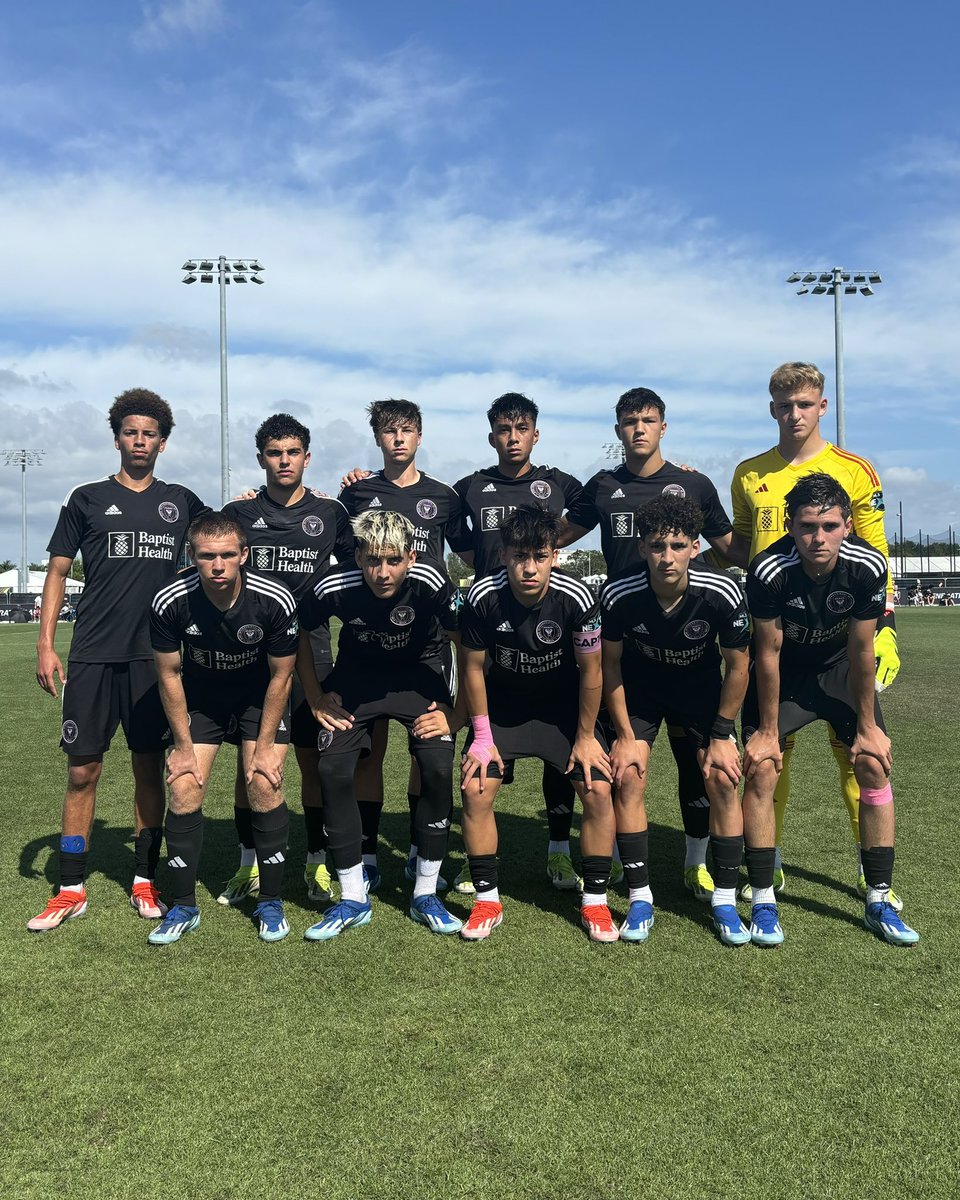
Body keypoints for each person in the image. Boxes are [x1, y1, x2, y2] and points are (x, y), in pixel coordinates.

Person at [29, 388, 207, 933]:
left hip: (154, 661)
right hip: (92, 656)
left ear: (163, 442)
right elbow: (58, 571)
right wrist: (45, 643)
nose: (139, 441)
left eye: (149, 433)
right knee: (82, 770)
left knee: (148, 768)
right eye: (131, 432)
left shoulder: (182, 501)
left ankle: (144, 878)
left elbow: (226, 539)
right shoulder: (85, 498)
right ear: (117, 438)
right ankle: (70, 885)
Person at [561, 386, 749, 902]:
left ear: (663, 427)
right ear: (618, 429)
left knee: (698, 768)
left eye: (647, 420)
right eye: (628, 421)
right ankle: (626, 865)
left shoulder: (693, 485)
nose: (638, 429)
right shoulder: (602, 487)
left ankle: (695, 864)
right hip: (626, 646)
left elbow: (729, 547)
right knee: (624, 768)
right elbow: (555, 535)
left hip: (687, 648)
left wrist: (782, 556)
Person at [730, 362, 901, 905]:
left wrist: (886, 628)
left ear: (821, 406)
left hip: (839, 632)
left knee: (857, 754)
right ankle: (768, 864)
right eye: (785, 405)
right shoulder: (748, 472)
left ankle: (869, 873)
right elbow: (736, 546)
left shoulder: (856, 470)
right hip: (773, 630)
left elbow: (875, 549)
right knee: (767, 756)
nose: (795, 414)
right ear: (772, 408)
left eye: (805, 404)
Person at [741, 473, 918, 947]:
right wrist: (769, 731)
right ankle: (762, 898)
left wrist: (867, 727)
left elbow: (862, 651)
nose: (818, 538)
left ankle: (878, 898)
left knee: (873, 764)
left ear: (847, 525)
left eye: (830, 525)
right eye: (806, 526)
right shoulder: (766, 569)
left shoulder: (868, 565)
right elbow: (769, 652)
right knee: (761, 767)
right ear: (791, 526)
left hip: (839, 667)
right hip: (786, 673)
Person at [296, 510, 462, 941]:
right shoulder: (335, 582)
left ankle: (425, 892)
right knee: (331, 769)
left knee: (438, 769)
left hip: (419, 675)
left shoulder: (432, 582)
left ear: (410, 556)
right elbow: (297, 631)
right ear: (356, 556)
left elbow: (469, 646)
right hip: (358, 678)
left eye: (392, 560)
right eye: (372, 560)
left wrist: (455, 713)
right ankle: (353, 896)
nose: (382, 572)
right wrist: (315, 696)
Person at [449, 392, 589, 892]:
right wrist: (485, 563)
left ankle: (557, 849)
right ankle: (475, 858)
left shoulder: (558, 484)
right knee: (481, 744)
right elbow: (450, 528)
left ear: (535, 433)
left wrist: (549, 548)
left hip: (546, 622)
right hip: (492, 622)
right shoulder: (470, 486)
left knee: (562, 751)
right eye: (504, 430)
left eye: (522, 429)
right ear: (493, 436)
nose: (513, 438)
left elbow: (595, 504)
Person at [458, 506, 616, 941]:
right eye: (519, 556)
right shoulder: (480, 596)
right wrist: (482, 737)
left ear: (555, 556)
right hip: (504, 708)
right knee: (475, 787)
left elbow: (592, 672)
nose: (529, 568)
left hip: (561, 709)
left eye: (539, 556)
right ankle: (487, 899)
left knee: (598, 787)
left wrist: (585, 737)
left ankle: (596, 903)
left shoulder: (579, 598)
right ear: (504, 556)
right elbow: (472, 668)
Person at [600, 495, 751, 944]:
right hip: (641, 690)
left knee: (723, 778)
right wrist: (625, 735)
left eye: (678, 546)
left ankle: (724, 899)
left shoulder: (721, 590)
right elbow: (609, 666)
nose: (668, 557)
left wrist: (723, 734)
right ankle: (640, 896)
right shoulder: (618, 592)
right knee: (627, 775)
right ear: (643, 547)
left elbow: (739, 666)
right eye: (657, 546)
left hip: (699, 690)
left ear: (695, 546)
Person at [220, 414, 354, 906]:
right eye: (274, 453)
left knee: (313, 758)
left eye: (292, 452)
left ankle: (316, 862)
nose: (283, 461)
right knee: (250, 762)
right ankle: (247, 865)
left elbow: (361, 563)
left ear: (306, 457)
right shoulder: (238, 514)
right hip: (250, 651)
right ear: (261, 459)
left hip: (312, 650)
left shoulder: (330, 511)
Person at [148, 513, 299, 944]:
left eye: (228, 555)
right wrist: (181, 745)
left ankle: (270, 902)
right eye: (207, 556)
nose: (218, 566)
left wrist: (266, 746)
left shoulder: (274, 599)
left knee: (264, 782)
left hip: (258, 697)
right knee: (183, 784)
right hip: (203, 700)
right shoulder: (170, 600)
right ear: (191, 556)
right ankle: (182, 906)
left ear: (244, 555)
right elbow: (169, 674)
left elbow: (281, 677)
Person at [338, 399, 463, 890]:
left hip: (427, 645)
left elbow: (477, 552)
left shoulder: (443, 496)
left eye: (406, 430)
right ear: (377, 438)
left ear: (419, 435)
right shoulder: (357, 493)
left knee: (425, 749)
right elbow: (335, 552)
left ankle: (418, 848)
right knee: (369, 753)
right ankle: (367, 854)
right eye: (388, 431)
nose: (397, 439)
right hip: (368, 642)